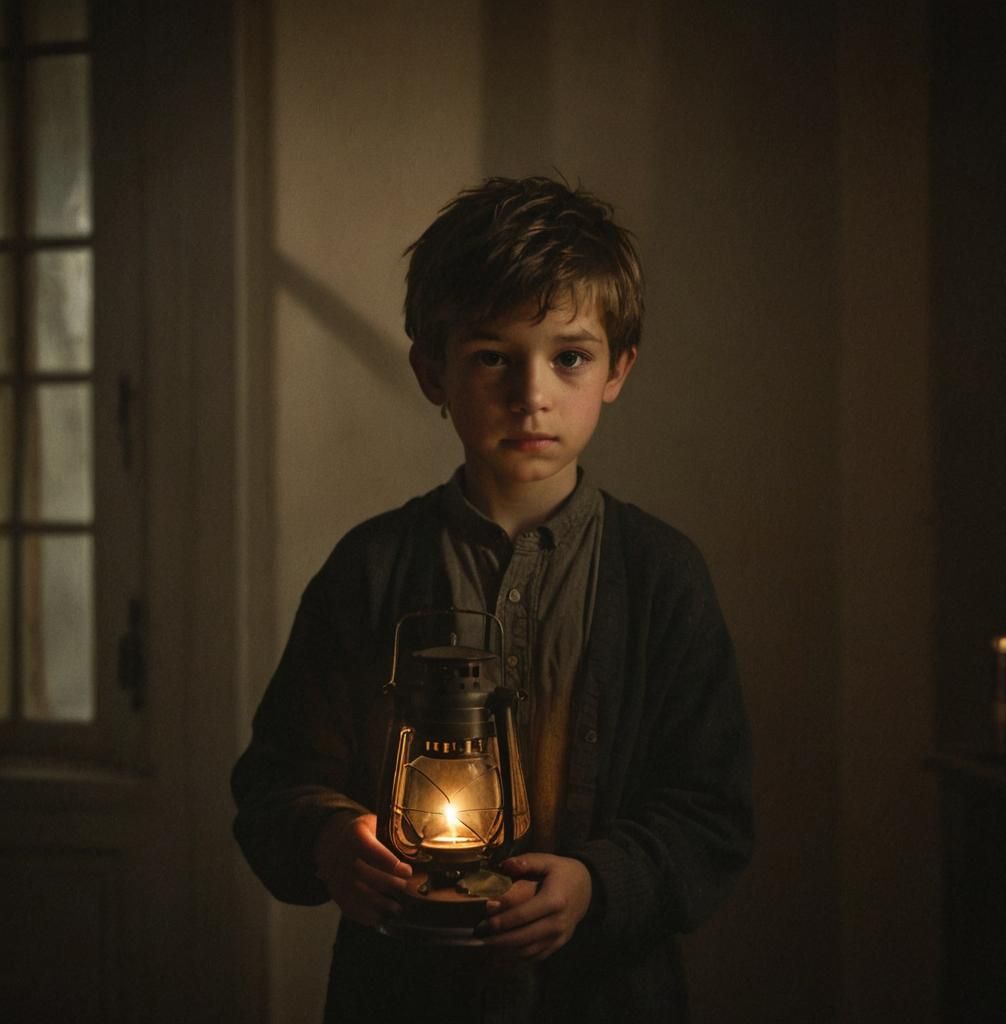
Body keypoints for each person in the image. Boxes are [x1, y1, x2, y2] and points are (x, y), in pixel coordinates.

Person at [231, 176, 753, 1023]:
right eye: (491, 356)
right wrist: (329, 841)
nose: (531, 393)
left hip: (607, 998)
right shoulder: (370, 570)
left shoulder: (660, 578)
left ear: (619, 367)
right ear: (431, 370)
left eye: (569, 357)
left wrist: (597, 884)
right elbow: (275, 780)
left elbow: (713, 814)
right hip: (401, 996)